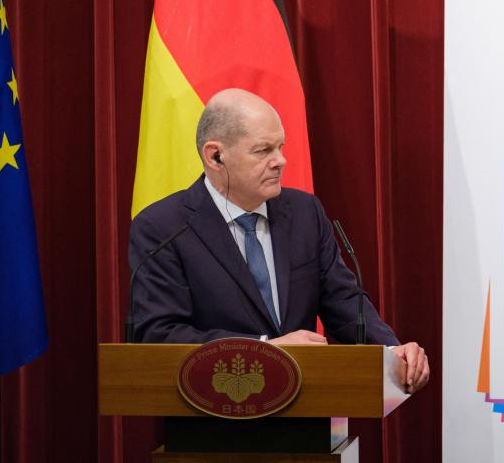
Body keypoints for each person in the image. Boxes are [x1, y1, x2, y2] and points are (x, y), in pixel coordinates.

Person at [128, 88, 429, 393]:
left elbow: (344, 301)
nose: (281, 161)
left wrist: (391, 352)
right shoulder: (163, 228)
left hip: (307, 413)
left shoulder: (305, 212)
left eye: (280, 147)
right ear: (215, 156)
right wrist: (265, 349)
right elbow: (160, 335)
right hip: (212, 416)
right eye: (263, 150)